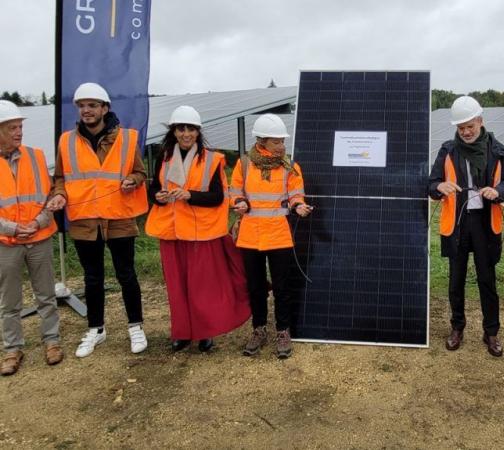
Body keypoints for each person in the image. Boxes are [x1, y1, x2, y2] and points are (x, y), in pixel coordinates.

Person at [46, 82, 149, 358]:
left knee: (127, 274)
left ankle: (135, 326)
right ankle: (96, 329)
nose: (86, 111)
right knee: (93, 278)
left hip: (119, 218)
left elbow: (140, 173)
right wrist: (59, 195)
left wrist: (132, 180)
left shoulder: (127, 138)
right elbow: (61, 179)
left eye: (92, 105)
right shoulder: (66, 141)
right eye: (82, 106)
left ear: (105, 108)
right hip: (85, 221)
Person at [145, 106, 250, 352]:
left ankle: (205, 332)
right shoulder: (164, 156)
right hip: (171, 232)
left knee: (202, 287)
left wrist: (189, 195)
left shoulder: (212, 159)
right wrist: (157, 197)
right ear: (173, 131)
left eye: (190, 129)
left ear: (197, 131)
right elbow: (153, 189)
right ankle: (182, 333)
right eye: (181, 129)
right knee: (176, 287)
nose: (185, 134)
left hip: (200, 233)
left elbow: (216, 197)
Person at [428, 96, 504, 356]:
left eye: (470, 126)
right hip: (457, 223)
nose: (465, 132)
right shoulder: (448, 150)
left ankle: (491, 332)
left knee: (487, 280)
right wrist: (439, 187)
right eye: (461, 128)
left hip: (485, 224)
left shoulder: (497, 150)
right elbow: (431, 183)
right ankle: (457, 327)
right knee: (456, 279)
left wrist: (497, 191)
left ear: (480, 121)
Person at [230, 113, 312, 359]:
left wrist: (299, 206)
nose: (282, 146)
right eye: (276, 142)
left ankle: (283, 331)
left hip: (278, 235)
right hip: (250, 236)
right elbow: (234, 190)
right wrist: (240, 202)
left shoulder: (290, 166)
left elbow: (296, 194)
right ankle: (259, 329)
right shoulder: (244, 164)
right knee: (255, 287)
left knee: (282, 287)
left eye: (282, 142)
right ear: (262, 141)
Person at [0, 100, 63, 376]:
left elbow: (50, 196)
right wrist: (13, 228)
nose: (19, 132)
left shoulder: (36, 157)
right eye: (12, 127)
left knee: (46, 295)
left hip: (39, 237)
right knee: (9, 301)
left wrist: (37, 222)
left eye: (20, 126)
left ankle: (52, 342)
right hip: (7, 243)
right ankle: (12, 349)